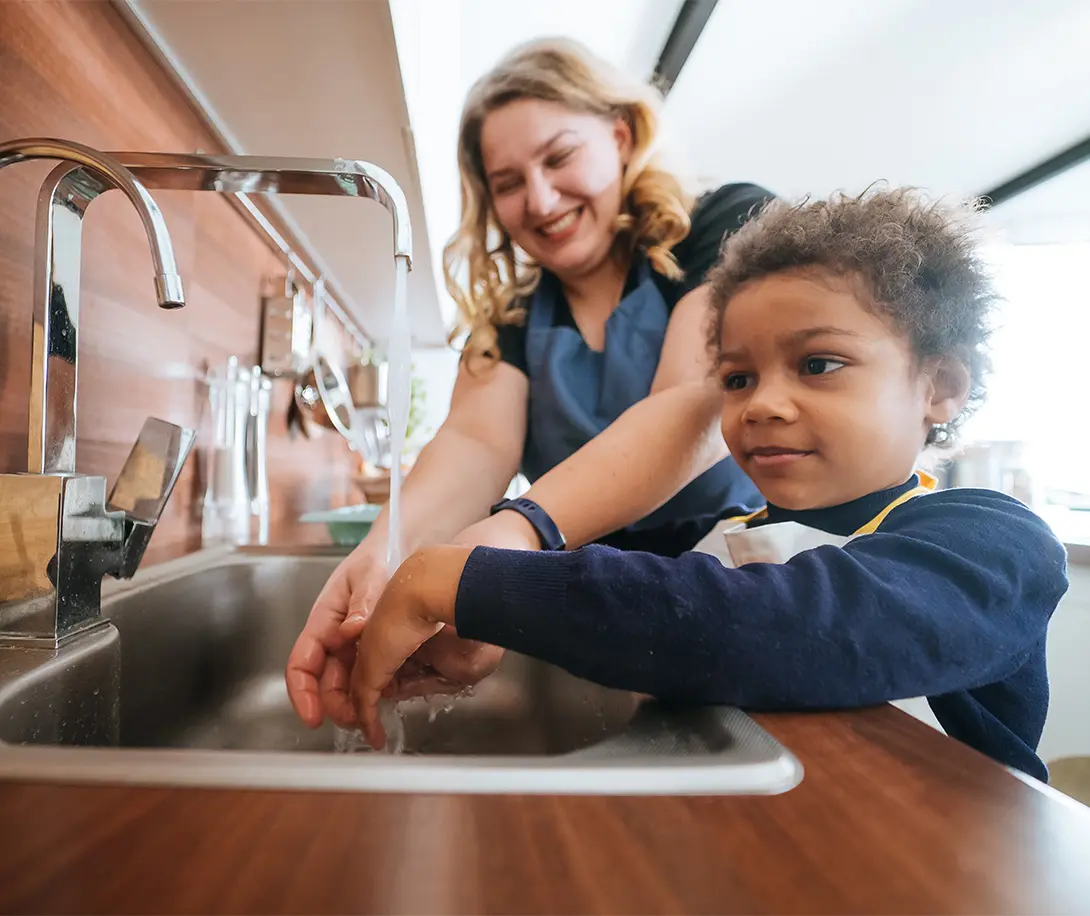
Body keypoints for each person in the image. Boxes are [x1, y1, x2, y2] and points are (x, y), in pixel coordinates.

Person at [347, 185, 1070, 781]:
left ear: (938, 387)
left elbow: (786, 627)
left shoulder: (992, 543)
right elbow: (626, 602)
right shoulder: (724, 538)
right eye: (736, 378)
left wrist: (471, 584)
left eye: (818, 364)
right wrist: (480, 612)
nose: (761, 404)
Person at [286, 37, 775, 728]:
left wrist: (514, 536)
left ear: (620, 133)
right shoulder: (513, 313)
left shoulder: (725, 228)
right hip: (597, 609)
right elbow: (474, 442)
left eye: (559, 156)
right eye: (509, 182)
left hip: (740, 585)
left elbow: (693, 405)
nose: (540, 200)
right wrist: (384, 551)